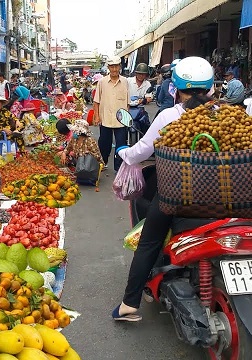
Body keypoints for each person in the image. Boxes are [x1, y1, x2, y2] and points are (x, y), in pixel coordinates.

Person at [112, 56, 214, 322]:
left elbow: (141, 152)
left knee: (148, 242)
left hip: (178, 194)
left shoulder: (170, 115)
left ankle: (129, 305)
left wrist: (125, 152)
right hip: (225, 195)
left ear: (175, 88)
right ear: (212, 87)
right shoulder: (225, 113)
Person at [93, 55, 129, 171]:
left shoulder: (125, 82)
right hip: (106, 119)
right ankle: (103, 162)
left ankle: (118, 167)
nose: (114, 69)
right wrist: (97, 116)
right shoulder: (102, 82)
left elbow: (127, 102)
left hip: (121, 120)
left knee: (121, 144)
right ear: (108, 67)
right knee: (104, 143)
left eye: (116, 67)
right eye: (112, 67)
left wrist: (127, 118)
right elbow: (96, 101)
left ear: (120, 67)